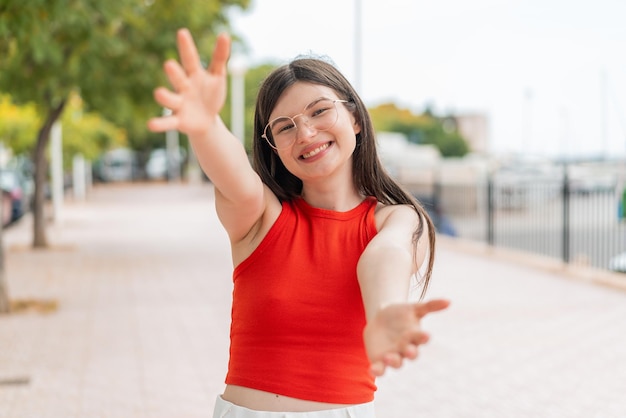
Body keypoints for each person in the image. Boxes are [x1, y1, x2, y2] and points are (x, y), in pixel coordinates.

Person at [148, 28, 450, 418]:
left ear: (355, 118)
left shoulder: (396, 218)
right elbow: (235, 176)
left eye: (320, 111)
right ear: (273, 146)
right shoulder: (260, 218)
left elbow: (386, 255)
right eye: (284, 127)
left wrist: (385, 312)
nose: (305, 133)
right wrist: (206, 127)